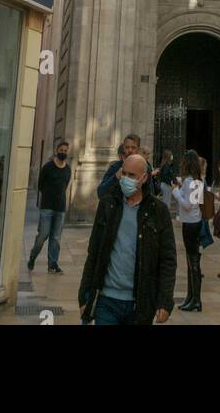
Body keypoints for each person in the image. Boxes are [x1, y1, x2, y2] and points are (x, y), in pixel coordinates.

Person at [79, 151, 176, 326]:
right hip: (106, 301)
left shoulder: (158, 211)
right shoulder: (108, 204)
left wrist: (164, 300)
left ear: (144, 178)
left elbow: (168, 260)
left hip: (139, 303)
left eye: (132, 175)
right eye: (124, 174)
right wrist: (84, 295)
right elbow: (93, 252)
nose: (125, 179)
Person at [28, 139, 71, 274]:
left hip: (60, 208)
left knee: (56, 238)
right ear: (56, 151)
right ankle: (33, 256)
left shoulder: (68, 169)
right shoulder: (47, 167)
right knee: (43, 235)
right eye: (61, 150)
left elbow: (65, 185)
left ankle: (52, 264)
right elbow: (40, 184)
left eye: (65, 151)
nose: (63, 153)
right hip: (47, 207)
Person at [172, 149, 205, 313]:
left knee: (192, 262)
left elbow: (187, 205)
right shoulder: (199, 181)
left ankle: (195, 300)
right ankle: (192, 297)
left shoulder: (188, 182)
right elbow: (197, 204)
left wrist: (176, 192)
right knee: (193, 261)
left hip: (189, 224)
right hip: (196, 221)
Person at [97, 133, 141, 199]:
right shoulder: (115, 167)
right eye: (127, 147)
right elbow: (100, 193)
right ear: (124, 148)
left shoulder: (144, 168)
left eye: (133, 147)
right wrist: (115, 177)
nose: (130, 150)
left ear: (138, 149)